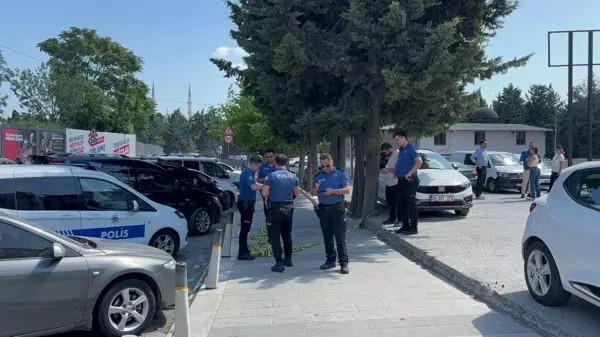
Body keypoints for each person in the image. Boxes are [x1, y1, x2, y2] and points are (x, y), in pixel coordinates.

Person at [311, 153, 351, 274]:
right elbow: (313, 193)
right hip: (323, 209)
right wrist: (316, 188)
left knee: (340, 237)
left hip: (337, 208)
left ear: (332, 162)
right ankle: (330, 260)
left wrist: (333, 191)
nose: (325, 169)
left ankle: (343, 263)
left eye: (327, 166)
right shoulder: (318, 176)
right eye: (322, 166)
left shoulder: (340, 173)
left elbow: (347, 189)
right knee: (327, 236)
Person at [261, 154, 300, 273]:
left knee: (275, 236)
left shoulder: (271, 176)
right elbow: (297, 193)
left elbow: (264, 193)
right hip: (289, 207)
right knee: (287, 235)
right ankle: (288, 259)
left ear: (276, 163)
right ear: (286, 162)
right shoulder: (293, 176)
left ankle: (279, 262)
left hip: (275, 208)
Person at [393, 131, 423, 235]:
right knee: (401, 204)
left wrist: (410, 173)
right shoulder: (402, 150)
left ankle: (413, 227)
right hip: (401, 180)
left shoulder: (411, 148)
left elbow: (419, 162)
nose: (396, 142)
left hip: (410, 180)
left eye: (397, 139)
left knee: (410, 204)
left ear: (403, 138)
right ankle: (405, 225)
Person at [237, 155, 264, 260]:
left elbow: (254, 183)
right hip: (246, 204)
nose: (259, 169)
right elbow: (253, 187)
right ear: (254, 164)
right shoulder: (248, 173)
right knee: (245, 229)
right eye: (259, 167)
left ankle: (245, 250)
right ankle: (242, 253)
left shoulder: (250, 173)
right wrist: (265, 187)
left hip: (247, 203)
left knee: (246, 228)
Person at [379, 143, 400, 225]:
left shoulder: (397, 155)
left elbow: (398, 168)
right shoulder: (390, 157)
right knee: (389, 202)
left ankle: (396, 219)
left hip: (395, 182)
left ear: (388, 148)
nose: (385, 154)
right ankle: (392, 218)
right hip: (389, 182)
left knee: (394, 202)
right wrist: (383, 170)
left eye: (385, 152)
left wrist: (387, 170)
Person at [257, 149, 277, 225]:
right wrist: (267, 179)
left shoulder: (278, 165)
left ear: (274, 156)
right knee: (267, 207)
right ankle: (268, 222)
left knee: (276, 208)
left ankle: (276, 223)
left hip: (276, 191)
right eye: (267, 157)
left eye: (271, 156)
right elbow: (258, 179)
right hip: (266, 192)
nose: (269, 158)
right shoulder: (263, 166)